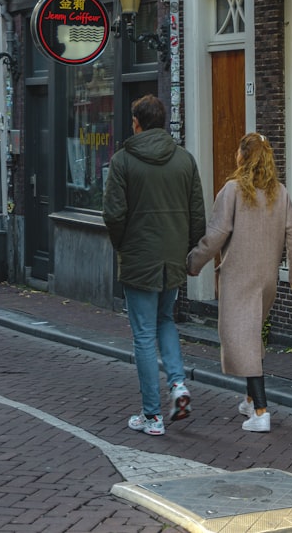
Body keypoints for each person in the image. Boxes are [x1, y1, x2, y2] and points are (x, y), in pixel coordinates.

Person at [187, 133, 292, 433]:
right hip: (267, 280)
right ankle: (250, 400)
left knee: (241, 338)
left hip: (239, 279)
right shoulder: (280, 193)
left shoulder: (233, 191)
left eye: (239, 151)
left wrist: (193, 262)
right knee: (252, 335)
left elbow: (216, 233)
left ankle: (262, 412)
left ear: (243, 156)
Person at [103, 94, 206, 436]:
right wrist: (186, 247)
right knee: (165, 322)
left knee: (143, 335)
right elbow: (197, 217)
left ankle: (152, 416)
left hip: (138, 258)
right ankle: (178, 385)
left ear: (137, 123)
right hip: (172, 258)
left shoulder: (122, 161)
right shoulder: (185, 161)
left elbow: (114, 214)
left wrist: (124, 245)